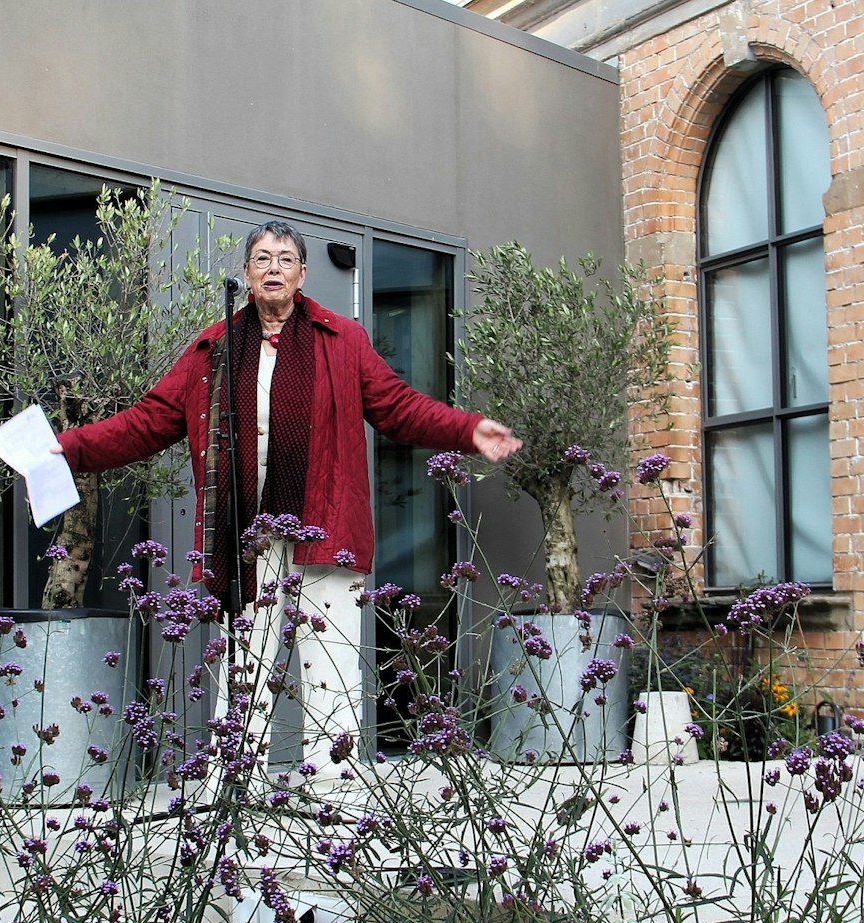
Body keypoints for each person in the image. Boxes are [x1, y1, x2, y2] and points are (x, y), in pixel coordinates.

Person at [55, 221, 520, 789]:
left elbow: (398, 406)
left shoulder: (342, 341)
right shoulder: (213, 346)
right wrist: (67, 448)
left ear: (302, 273)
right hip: (246, 533)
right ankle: (234, 788)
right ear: (247, 274)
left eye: (284, 258)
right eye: (260, 258)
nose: (272, 267)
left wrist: (467, 430)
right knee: (244, 664)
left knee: (331, 669)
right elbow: (148, 422)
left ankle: (335, 796)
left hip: (324, 526)